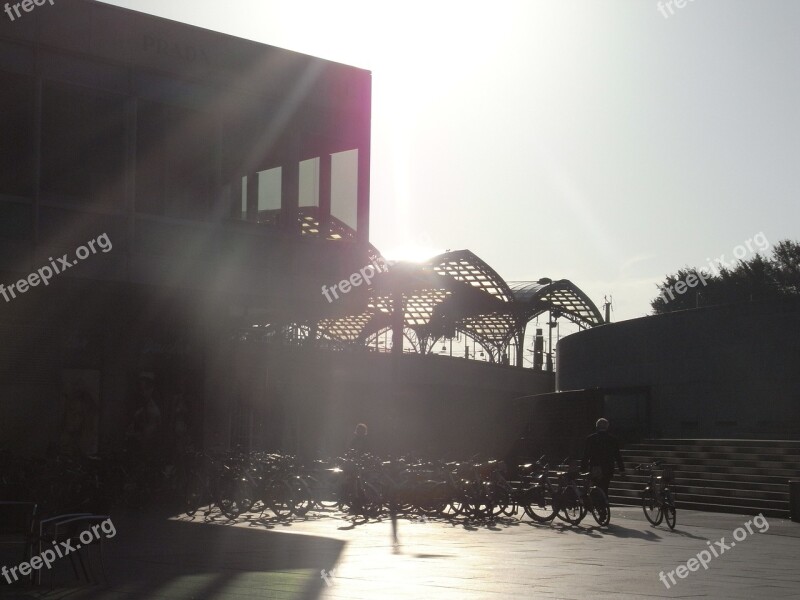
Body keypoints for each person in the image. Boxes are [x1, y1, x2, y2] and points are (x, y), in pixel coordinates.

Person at [581, 418, 625, 497]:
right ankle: (605, 501)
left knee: (596, 484)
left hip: (595, 466)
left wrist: (583, 468)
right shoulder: (613, 439)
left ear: (597, 426)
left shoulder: (590, 439)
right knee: (605, 486)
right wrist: (621, 469)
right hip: (608, 467)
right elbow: (617, 455)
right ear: (607, 427)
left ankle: (596, 501)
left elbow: (586, 455)